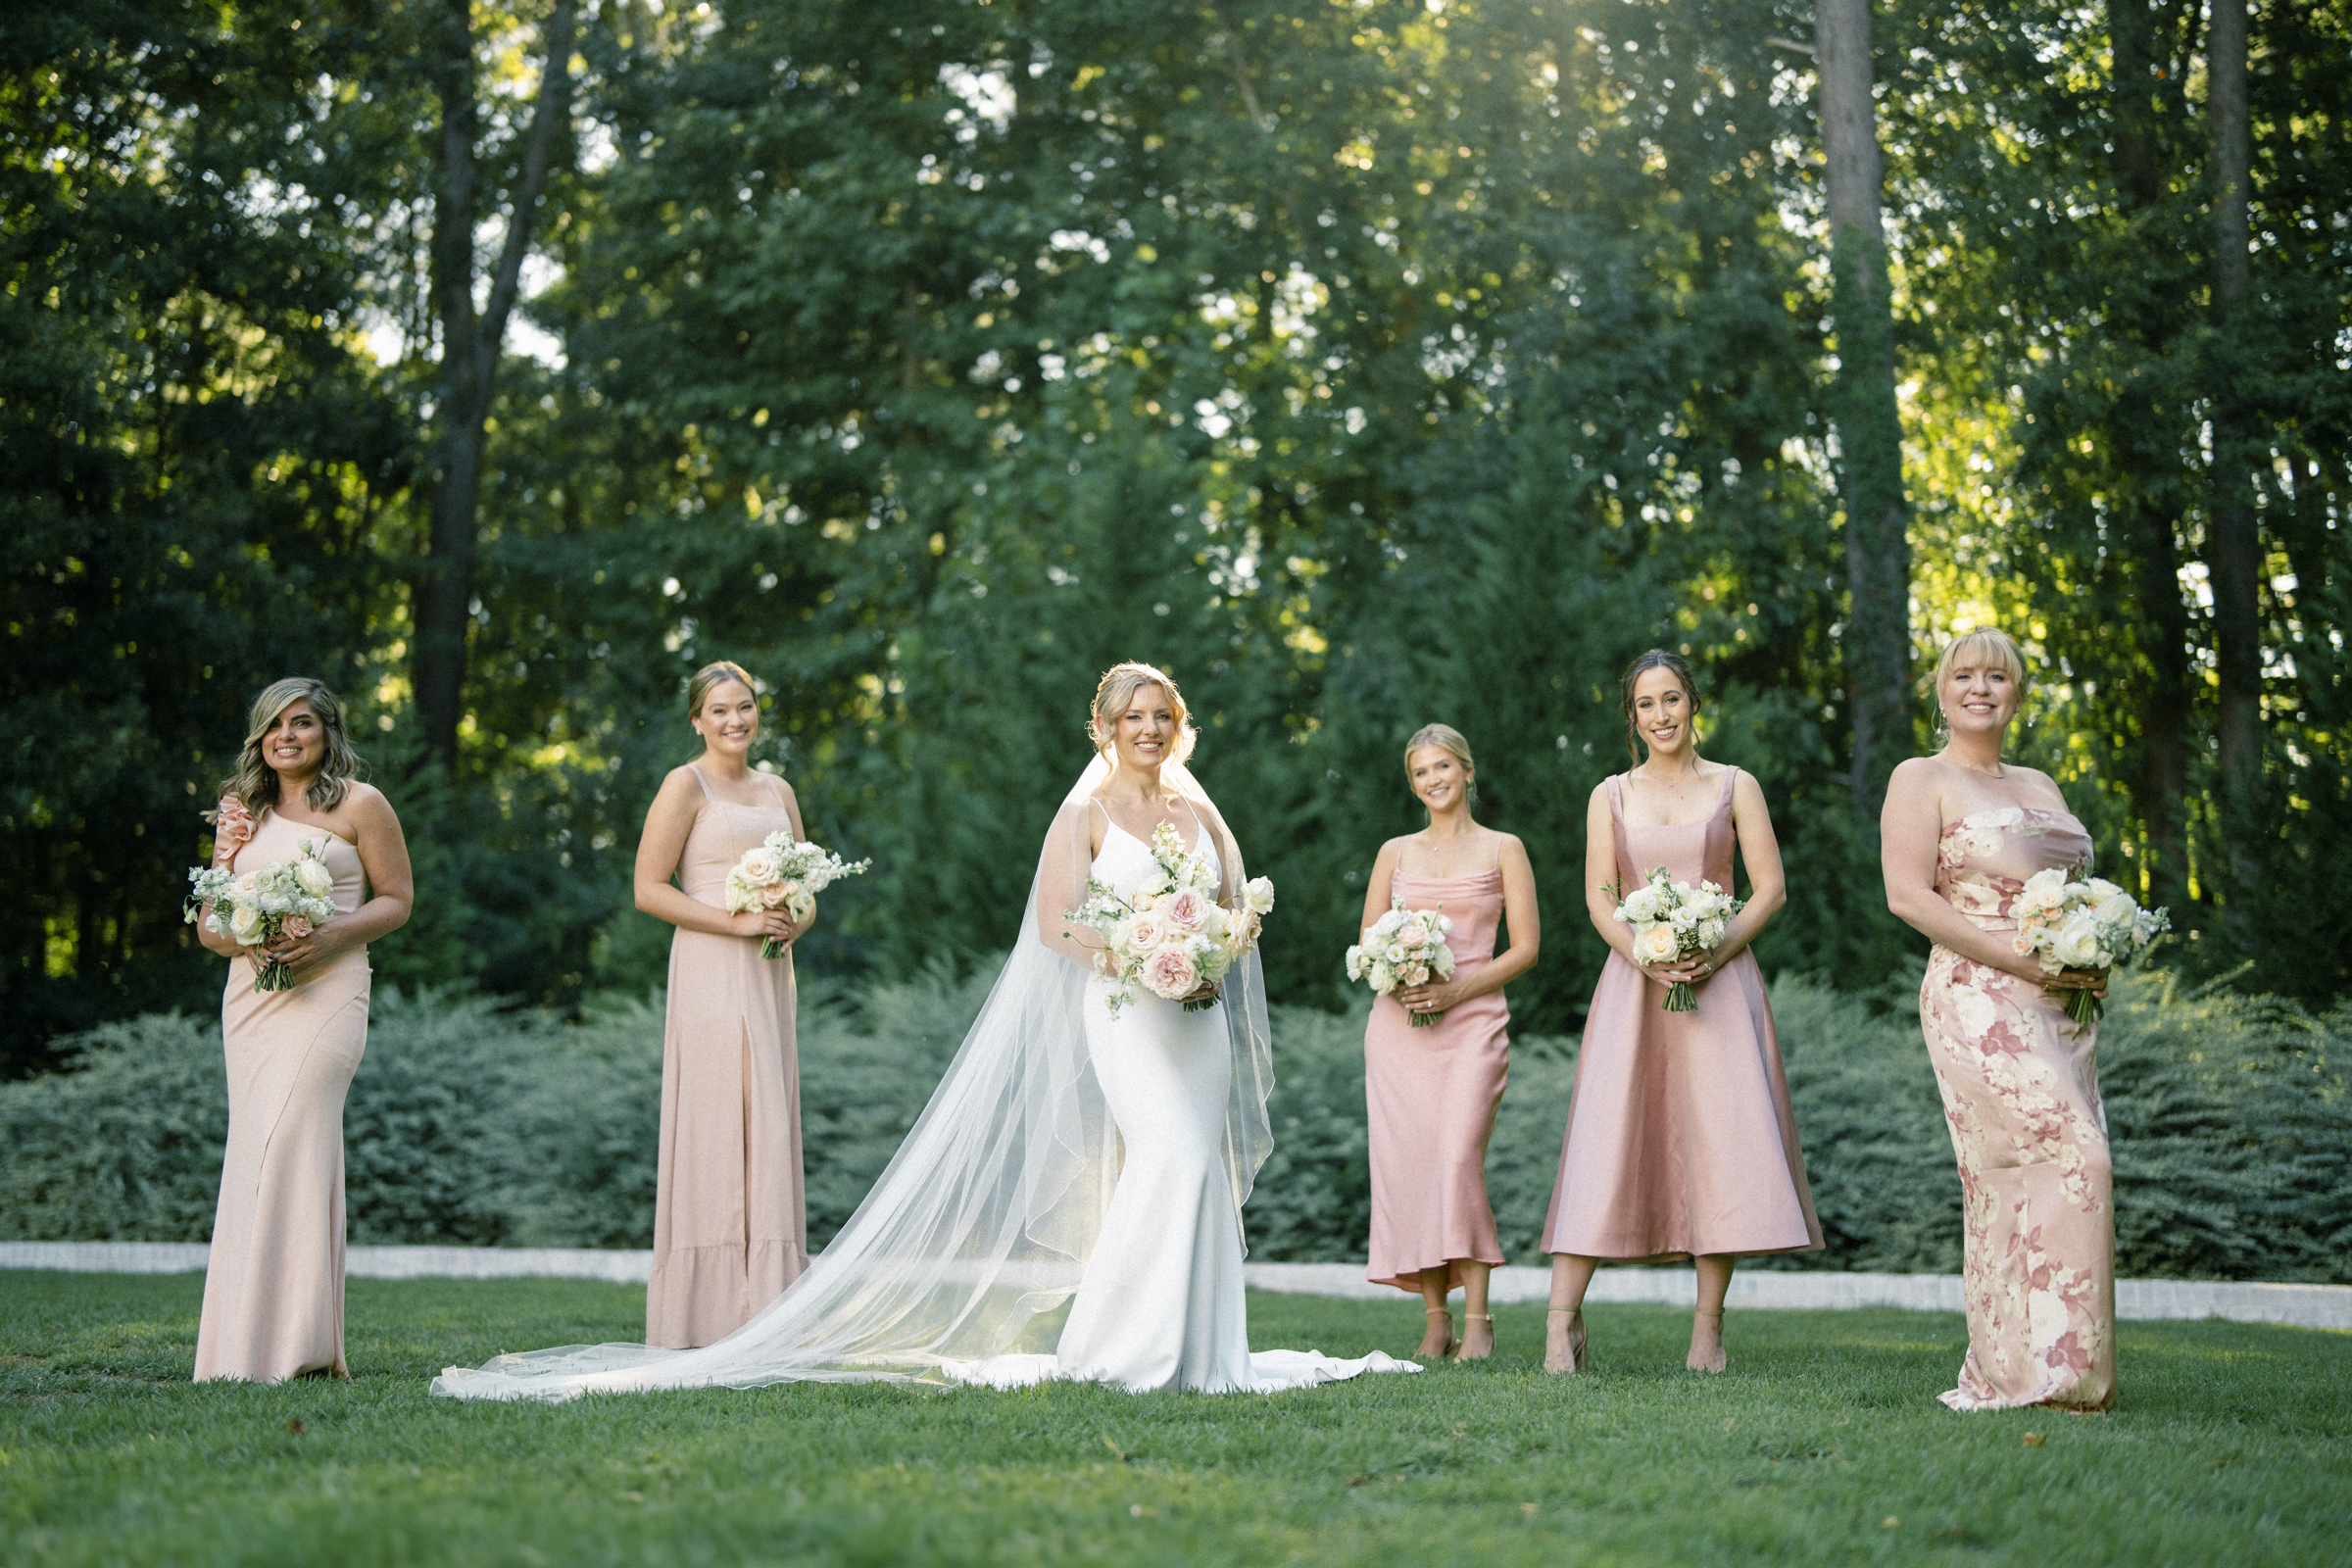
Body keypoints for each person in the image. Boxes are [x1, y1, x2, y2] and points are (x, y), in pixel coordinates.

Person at [432, 662, 1413, 1399]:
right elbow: (1056, 925)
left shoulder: (1201, 814)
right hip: (1122, 1009)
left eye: (1164, 716)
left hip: (1189, 1014)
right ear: (1106, 727)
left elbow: (1233, 908)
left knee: (1194, 1158)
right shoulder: (1083, 810)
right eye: (1134, 717)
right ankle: (1124, 1347)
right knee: (1171, 1155)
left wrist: (1209, 953)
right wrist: (1138, 955)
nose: (1151, 729)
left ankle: (1203, 1348)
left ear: (1179, 726)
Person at [1539, 650, 1821, 1375]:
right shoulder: (1611, 794)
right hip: (1635, 987)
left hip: (1718, 986)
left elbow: (1769, 890)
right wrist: (1643, 954)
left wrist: (1714, 950)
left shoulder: (1736, 786)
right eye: (1645, 704)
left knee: (1719, 1148)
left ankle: (1707, 1332)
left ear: (1694, 704)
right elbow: (1601, 894)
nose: (1660, 715)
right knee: (1607, 1141)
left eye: (1672, 700)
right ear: (1631, 717)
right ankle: (1560, 1324)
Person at [1882, 627, 2116, 1411]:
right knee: (2072, 1156)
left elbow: (2071, 889)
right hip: (1978, 994)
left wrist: (2090, 949)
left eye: (1999, 677)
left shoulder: (2042, 783)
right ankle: (2030, 1371)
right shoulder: (1921, 777)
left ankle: (2059, 1371)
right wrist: (2019, 961)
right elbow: (1909, 896)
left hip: (2062, 1002)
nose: (1981, 688)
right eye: (1965, 675)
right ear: (1941, 690)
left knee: (2031, 1180)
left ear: (2016, 694)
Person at [192, 677, 413, 1382]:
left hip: (330, 991)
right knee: (258, 1150)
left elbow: (399, 901)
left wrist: (330, 936)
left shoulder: (361, 805)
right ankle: (243, 1346)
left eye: (303, 723)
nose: (287, 735)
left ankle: (300, 1346)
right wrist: (249, 938)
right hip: (253, 999)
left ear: (328, 733)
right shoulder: (241, 815)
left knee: (293, 1139)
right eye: (274, 725)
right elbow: (209, 924)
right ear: (260, 738)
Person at [634, 661, 811, 1348]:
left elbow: (807, 879)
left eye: (745, 707)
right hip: (710, 966)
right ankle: (704, 1314)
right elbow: (650, 889)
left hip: (770, 972)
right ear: (697, 721)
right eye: (719, 710)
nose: (735, 720)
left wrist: (797, 915)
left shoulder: (778, 788)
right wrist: (735, 922)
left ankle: (769, 1308)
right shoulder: (686, 784)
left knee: (767, 1118)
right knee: (714, 1121)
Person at [1357, 724, 1540, 1360]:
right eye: (1420, 773)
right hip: (1399, 1029)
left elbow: (1527, 948)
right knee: (1413, 1170)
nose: (1433, 780)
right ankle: (1437, 1320)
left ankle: (1481, 1320)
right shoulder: (1394, 853)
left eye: (1443, 767)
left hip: (1473, 1023)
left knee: (1458, 1159)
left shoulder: (1504, 849)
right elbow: (1368, 944)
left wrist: (1456, 990)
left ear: (1467, 771)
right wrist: (1398, 974)